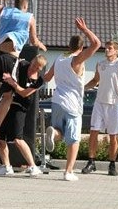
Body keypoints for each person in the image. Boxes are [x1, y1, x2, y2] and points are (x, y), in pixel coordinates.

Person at [0, 0, 47, 147]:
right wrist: (42, 46)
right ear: (25, 6)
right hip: (9, 57)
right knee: (8, 95)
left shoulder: (5, 11)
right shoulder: (29, 17)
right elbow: (33, 40)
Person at [43, 17, 101, 181]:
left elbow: (47, 77)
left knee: (60, 133)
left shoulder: (59, 58)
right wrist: (84, 29)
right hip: (72, 104)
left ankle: (52, 133)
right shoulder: (77, 59)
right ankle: (68, 171)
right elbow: (96, 43)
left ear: (69, 46)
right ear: (81, 48)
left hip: (57, 101)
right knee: (73, 139)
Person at [81, 40, 118, 176]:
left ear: (116, 51)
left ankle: (112, 165)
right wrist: (82, 88)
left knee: (113, 136)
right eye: (106, 48)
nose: (107, 50)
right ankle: (91, 162)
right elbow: (95, 80)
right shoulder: (100, 64)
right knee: (93, 132)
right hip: (99, 103)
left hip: (114, 104)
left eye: (110, 48)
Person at [0, 55, 48, 177]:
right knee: (0, 138)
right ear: (31, 61)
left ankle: (33, 166)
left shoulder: (39, 80)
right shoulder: (22, 65)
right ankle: (7, 166)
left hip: (20, 106)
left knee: (17, 139)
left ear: (40, 69)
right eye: (33, 65)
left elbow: (25, 93)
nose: (32, 69)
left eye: (36, 68)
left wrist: (13, 83)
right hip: (7, 103)